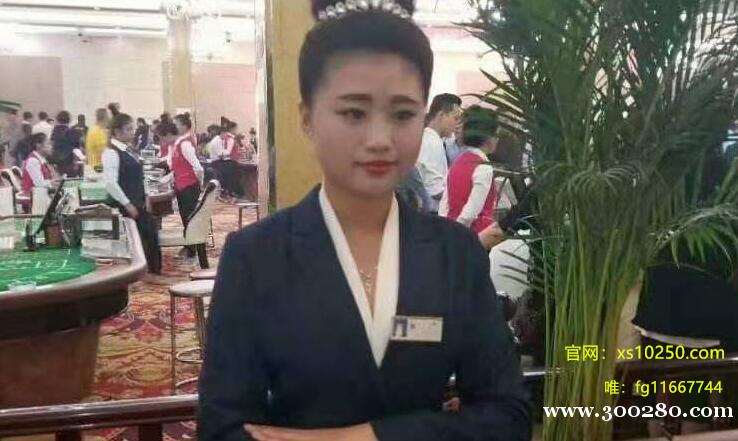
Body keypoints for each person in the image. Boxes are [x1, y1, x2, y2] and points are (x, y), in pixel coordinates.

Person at [198, 1, 531, 440]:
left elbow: (507, 416)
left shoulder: (455, 253)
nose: (379, 140)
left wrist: (363, 437)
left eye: (402, 114)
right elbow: (222, 428)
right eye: (354, 112)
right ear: (307, 118)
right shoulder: (256, 256)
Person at [102, 113, 161, 274]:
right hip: (125, 204)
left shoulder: (128, 149)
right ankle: (146, 273)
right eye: (128, 129)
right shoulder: (111, 152)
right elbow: (110, 183)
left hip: (138, 201)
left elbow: (140, 176)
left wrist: (146, 196)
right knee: (140, 239)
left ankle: (152, 271)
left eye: (132, 128)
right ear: (117, 131)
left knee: (149, 236)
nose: (133, 132)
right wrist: (127, 204)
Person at [440, 106, 502, 250]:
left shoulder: (457, 161)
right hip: (474, 238)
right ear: (489, 138)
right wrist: (458, 234)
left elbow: (444, 203)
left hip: (450, 231)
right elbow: (471, 212)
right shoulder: (484, 167)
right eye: (497, 135)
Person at [416, 93, 461, 214]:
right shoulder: (432, 143)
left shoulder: (430, 139)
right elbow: (435, 190)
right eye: (455, 118)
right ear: (441, 115)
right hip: (430, 213)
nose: (457, 124)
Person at [171, 113, 204, 258]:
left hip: (189, 186)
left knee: (189, 218)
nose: (173, 126)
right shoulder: (179, 141)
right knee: (185, 217)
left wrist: (199, 184)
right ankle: (189, 245)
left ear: (184, 126)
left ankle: (191, 249)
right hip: (182, 185)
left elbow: (198, 167)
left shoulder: (185, 143)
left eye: (176, 124)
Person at [50, 110, 82, 177]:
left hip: (57, 162)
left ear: (58, 119)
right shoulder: (73, 132)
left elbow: (52, 146)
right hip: (69, 161)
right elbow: (76, 149)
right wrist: (76, 163)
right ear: (69, 120)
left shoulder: (54, 131)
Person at [221, 120, 243, 199]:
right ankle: (235, 194)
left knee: (232, 179)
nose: (237, 130)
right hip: (231, 161)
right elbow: (228, 151)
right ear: (232, 129)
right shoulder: (230, 138)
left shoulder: (227, 138)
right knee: (234, 179)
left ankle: (231, 194)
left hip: (229, 161)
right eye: (236, 128)